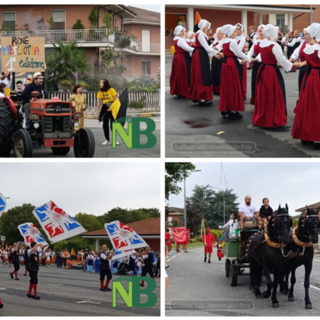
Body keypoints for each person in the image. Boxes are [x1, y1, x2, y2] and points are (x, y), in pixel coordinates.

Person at [252, 24, 292, 130]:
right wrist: (291, 66)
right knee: (275, 95)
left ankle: (262, 119)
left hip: (263, 70)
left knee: (265, 95)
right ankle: (276, 121)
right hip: (271, 72)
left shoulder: (262, 43)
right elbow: (282, 60)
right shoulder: (274, 46)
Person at [291, 23, 320, 147]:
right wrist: (302, 64)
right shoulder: (312, 46)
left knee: (314, 105)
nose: (305, 35)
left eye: (307, 34)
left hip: (315, 77)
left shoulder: (316, 47)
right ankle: (308, 134)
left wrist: (304, 64)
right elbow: (311, 60)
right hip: (311, 77)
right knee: (309, 105)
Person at [216, 24, 250, 119]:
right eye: (235, 31)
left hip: (226, 64)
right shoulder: (232, 42)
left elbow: (229, 55)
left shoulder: (224, 41)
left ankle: (225, 108)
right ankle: (231, 108)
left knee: (227, 87)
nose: (236, 33)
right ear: (231, 33)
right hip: (231, 65)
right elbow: (239, 53)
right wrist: (249, 59)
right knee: (233, 86)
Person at [186, 19, 220, 105]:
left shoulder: (203, 34)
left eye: (208, 26)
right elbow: (207, 48)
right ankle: (200, 96)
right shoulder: (200, 34)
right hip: (199, 55)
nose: (207, 28)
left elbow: (207, 48)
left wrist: (214, 55)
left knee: (204, 74)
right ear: (202, 26)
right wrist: (218, 53)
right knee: (200, 75)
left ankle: (203, 96)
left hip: (202, 54)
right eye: (206, 26)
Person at [170, 25, 194, 98]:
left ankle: (180, 91)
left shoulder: (177, 39)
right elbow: (187, 48)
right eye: (181, 31)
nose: (183, 33)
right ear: (178, 32)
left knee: (179, 74)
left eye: (183, 31)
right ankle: (184, 91)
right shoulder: (180, 40)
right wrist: (197, 50)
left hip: (179, 57)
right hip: (182, 58)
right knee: (184, 74)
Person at [289, 26, 311, 95]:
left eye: (306, 34)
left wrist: (301, 63)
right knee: (302, 88)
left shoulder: (317, 46)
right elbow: (296, 53)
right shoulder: (303, 44)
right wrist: (290, 61)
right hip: (303, 69)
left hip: (313, 70)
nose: (304, 36)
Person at [247, 24, 265, 106]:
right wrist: (246, 58)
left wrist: (256, 58)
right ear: (257, 32)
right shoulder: (256, 41)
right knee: (255, 82)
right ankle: (257, 100)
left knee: (263, 83)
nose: (262, 33)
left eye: (263, 31)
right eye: (260, 31)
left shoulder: (269, 42)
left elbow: (263, 53)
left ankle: (263, 101)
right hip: (257, 64)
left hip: (265, 65)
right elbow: (251, 51)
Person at [96, 79, 118, 146]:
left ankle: (115, 139)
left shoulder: (112, 90)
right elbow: (99, 103)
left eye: (101, 83)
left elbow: (116, 100)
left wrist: (111, 108)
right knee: (105, 124)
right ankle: (107, 139)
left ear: (104, 83)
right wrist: (98, 112)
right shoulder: (100, 92)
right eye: (100, 83)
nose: (99, 84)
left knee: (113, 124)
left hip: (112, 107)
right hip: (105, 107)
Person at [211, 27, 225, 94]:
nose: (220, 34)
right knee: (214, 73)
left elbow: (213, 49)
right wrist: (214, 55)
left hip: (221, 59)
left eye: (221, 33)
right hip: (215, 59)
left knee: (220, 74)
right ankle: (215, 89)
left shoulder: (224, 41)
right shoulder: (215, 41)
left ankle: (220, 89)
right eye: (219, 33)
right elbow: (209, 49)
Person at [235, 23, 247, 100]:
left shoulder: (242, 38)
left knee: (241, 76)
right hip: (234, 58)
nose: (237, 31)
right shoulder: (233, 37)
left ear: (241, 30)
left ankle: (242, 93)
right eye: (236, 29)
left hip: (240, 58)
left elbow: (239, 49)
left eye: (239, 29)